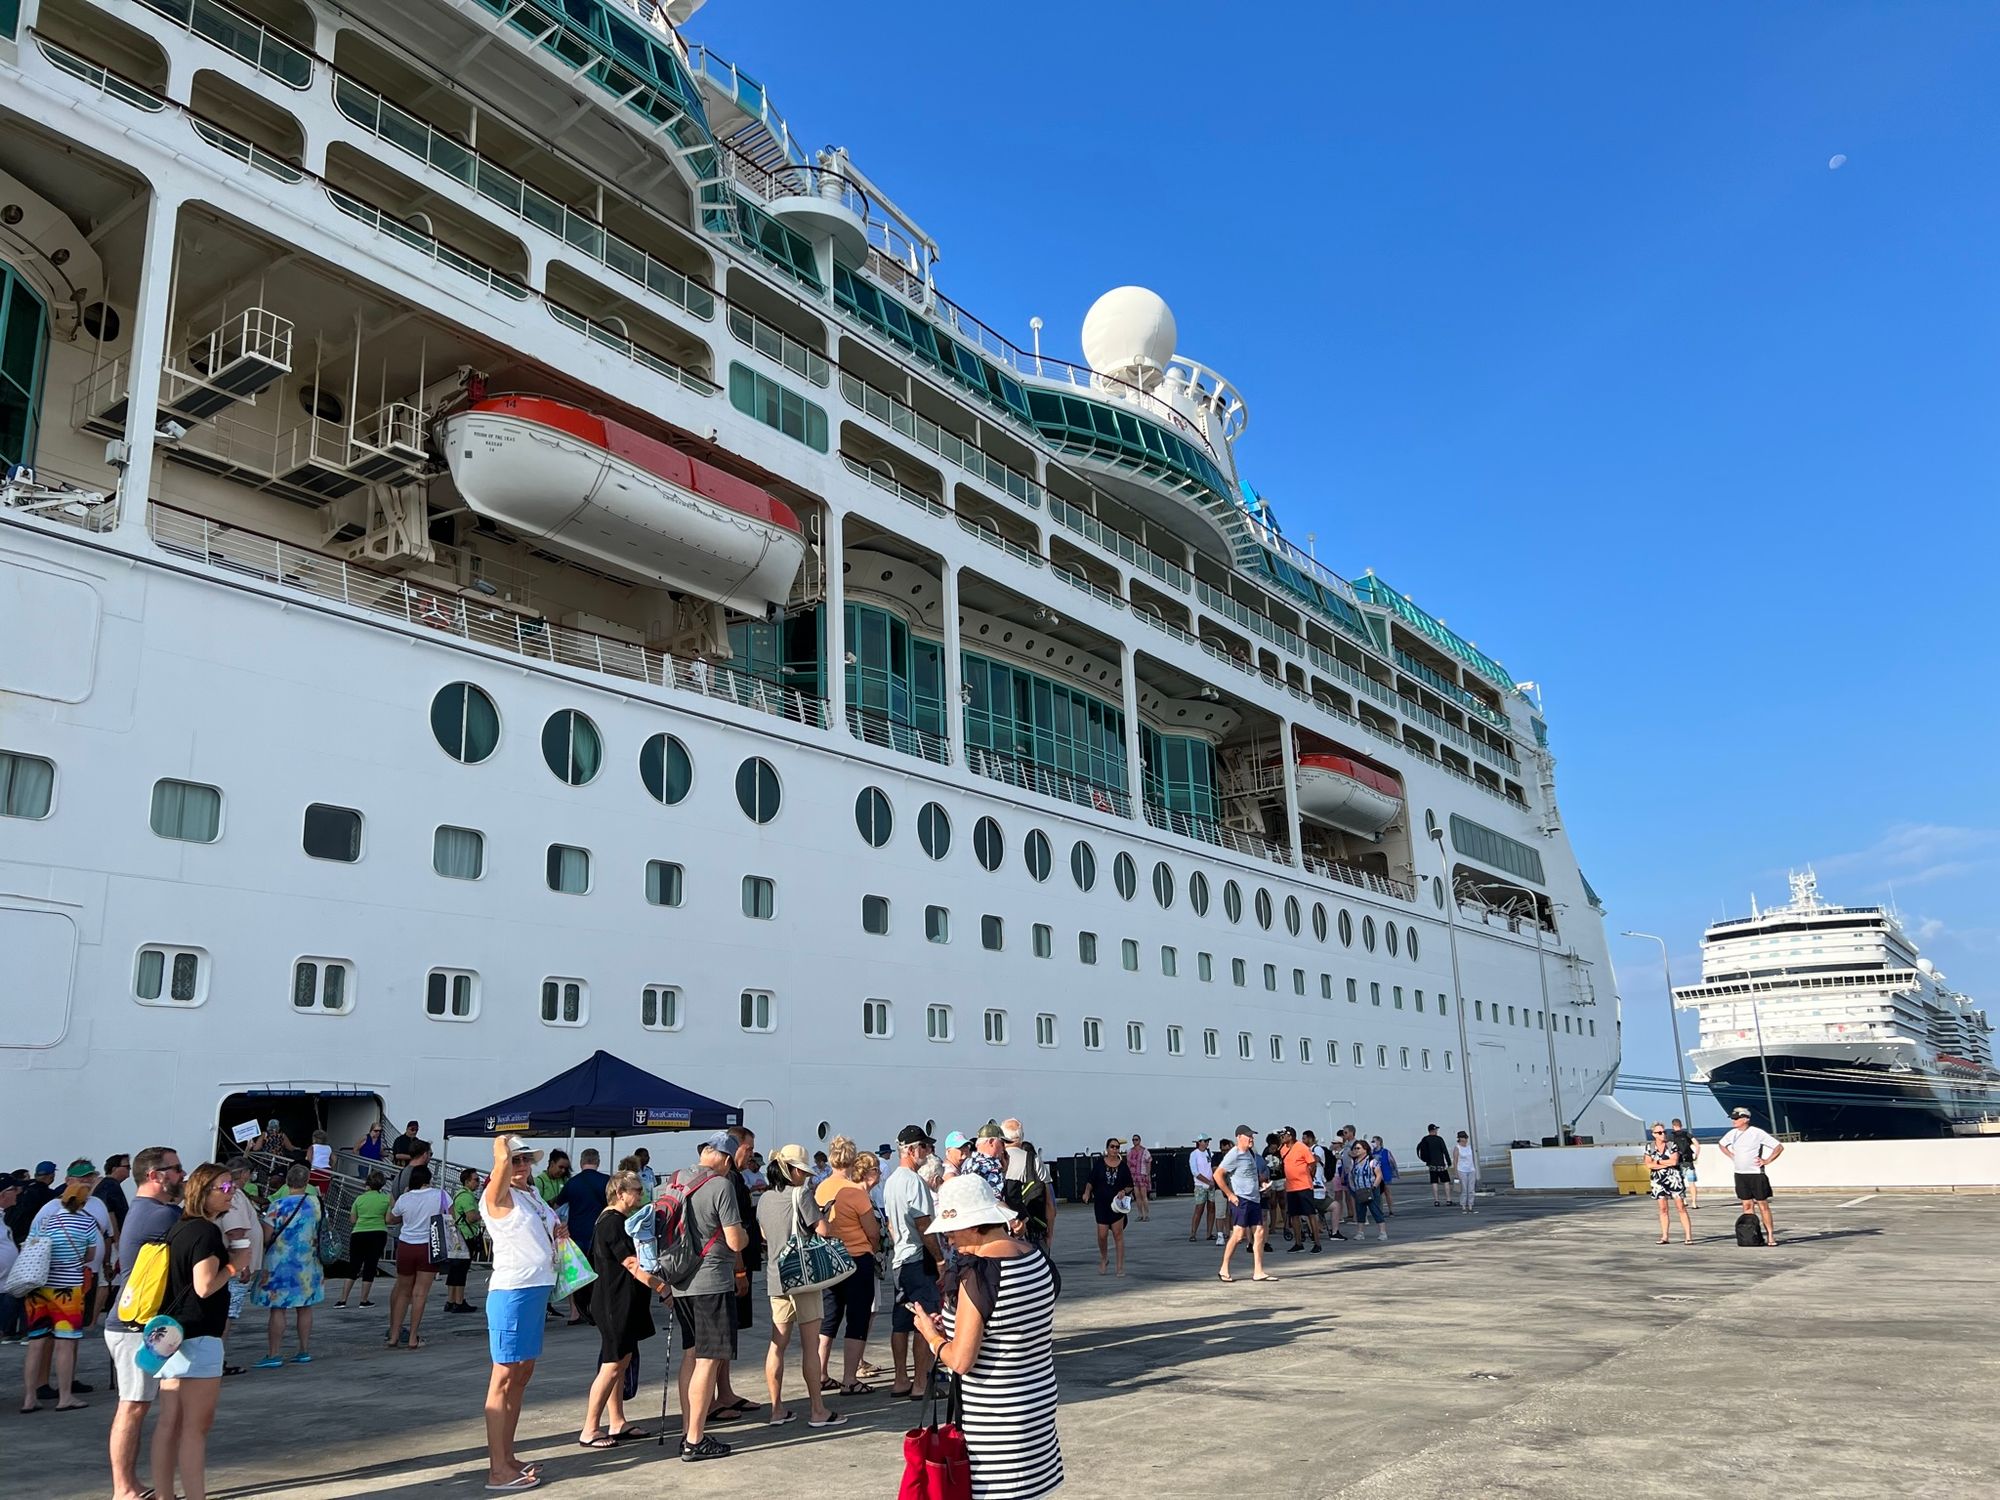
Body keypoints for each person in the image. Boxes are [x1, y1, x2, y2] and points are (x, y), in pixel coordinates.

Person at [909, 1173, 1063, 1500]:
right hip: (1037, 1407)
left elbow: (962, 1361)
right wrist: (952, 1323)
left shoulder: (979, 1273)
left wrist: (932, 1336)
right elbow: (1011, 1325)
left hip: (997, 1423)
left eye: (951, 1229)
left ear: (975, 1223)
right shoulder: (1034, 1256)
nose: (948, 1238)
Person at [158, 1163, 252, 1500]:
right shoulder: (206, 1233)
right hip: (199, 1336)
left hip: (172, 1333)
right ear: (203, 1192)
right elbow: (204, 1286)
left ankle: (166, 1494)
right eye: (224, 1188)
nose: (231, 1193)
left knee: (169, 1423)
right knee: (196, 1428)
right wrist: (234, 1265)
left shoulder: (179, 1229)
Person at [105, 1146, 185, 1500]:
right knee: (133, 1405)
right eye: (176, 1168)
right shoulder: (160, 1216)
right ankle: (124, 1489)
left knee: (139, 1405)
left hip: (141, 1325)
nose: (182, 1174)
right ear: (154, 1175)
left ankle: (131, 1486)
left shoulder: (147, 1211)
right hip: (135, 1327)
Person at [483, 1135, 560, 1491]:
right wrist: (503, 1144)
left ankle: (507, 1455)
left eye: (526, 1158)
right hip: (512, 1290)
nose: (523, 1165)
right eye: (517, 1160)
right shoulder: (496, 1197)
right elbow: (500, 1163)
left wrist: (557, 1233)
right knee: (503, 1376)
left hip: (534, 1289)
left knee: (522, 1373)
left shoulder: (531, 1195)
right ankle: (497, 1469)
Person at [754, 1145, 845, 1429]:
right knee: (810, 1345)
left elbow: (765, 1235)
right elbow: (822, 1230)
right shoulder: (801, 1194)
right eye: (802, 1172)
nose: (805, 1177)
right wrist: (824, 1215)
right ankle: (817, 1410)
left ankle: (776, 1408)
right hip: (803, 1278)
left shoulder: (764, 1198)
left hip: (776, 1277)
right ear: (791, 1170)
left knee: (777, 1344)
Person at [672, 1131, 750, 1462]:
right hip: (711, 1280)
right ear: (726, 1158)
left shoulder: (674, 1181)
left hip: (680, 1280)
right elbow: (735, 1241)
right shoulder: (721, 1186)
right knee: (709, 1358)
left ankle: (690, 1429)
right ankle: (695, 1440)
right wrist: (746, 1234)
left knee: (690, 1354)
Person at [578, 1171, 660, 1448]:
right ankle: (590, 1428)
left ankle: (617, 1420)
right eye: (636, 1189)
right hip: (613, 1303)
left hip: (621, 1301)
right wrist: (662, 1287)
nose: (640, 1193)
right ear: (620, 1192)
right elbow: (631, 1264)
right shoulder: (612, 1223)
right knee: (612, 1365)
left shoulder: (617, 1220)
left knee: (621, 1362)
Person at [20, 1160, 106, 1411]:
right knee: (65, 1344)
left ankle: (29, 1398)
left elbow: (31, 1244)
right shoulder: (86, 1222)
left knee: (36, 1343)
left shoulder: (47, 1219)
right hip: (67, 1289)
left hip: (38, 1288)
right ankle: (65, 1396)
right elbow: (90, 1256)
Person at [814, 1138, 880, 1397]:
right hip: (856, 1258)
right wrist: (872, 1250)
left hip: (831, 1259)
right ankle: (850, 1378)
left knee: (829, 1317)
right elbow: (872, 1232)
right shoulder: (854, 1191)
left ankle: (820, 1373)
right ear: (853, 1162)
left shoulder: (821, 1188)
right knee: (857, 1318)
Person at [880, 1126, 940, 1398]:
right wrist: (939, 1258)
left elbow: (892, 1223)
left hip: (901, 1260)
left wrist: (899, 1242)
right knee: (924, 1319)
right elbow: (923, 1222)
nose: (927, 1153)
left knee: (900, 1322)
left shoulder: (891, 1181)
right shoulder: (914, 1181)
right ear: (912, 1149)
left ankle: (900, 1379)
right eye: (925, 1147)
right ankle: (920, 1383)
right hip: (918, 1259)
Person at [249, 1164, 322, 1365]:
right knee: (305, 1307)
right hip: (308, 1261)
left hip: (279, 1263)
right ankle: (304, 1350)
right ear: (307, 1182)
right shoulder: (317, 1204)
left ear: (287, 1182)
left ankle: (274, 1354)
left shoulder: (278, 1206)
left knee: (278, 1309)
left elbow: (267, 1236)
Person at [383, 1164, 447, 1350]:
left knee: (403, 1290)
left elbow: (391, 1219)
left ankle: (394, 1335)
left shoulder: (405, 1198)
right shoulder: (440, 1195)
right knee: (420, 1293)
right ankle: (412, 1337)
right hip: (428, 1246)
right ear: (429, 1179)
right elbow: (447, 1216)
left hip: (406, 1246)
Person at [214, 1158, 261, 1375]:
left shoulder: (237, 1194)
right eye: (249, 1173)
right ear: (242, 1173)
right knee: (225, 1315)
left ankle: (217, 1359)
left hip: (233, 1265)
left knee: (227, 1315)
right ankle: (217, 1361)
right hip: (234, 1268)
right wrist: (243, 1265)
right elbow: (235, 1231)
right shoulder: (233, 1195)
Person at [556, 1150, 610, 1327]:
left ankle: (575, 1312)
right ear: (598, 1161)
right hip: (600, 1234)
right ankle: (597, 1310)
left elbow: (557, 1205)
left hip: (575, 1234)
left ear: (581, 1162)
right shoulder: (606, 1181)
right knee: (599, 1274)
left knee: (576, 1273)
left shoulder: (572, 1183)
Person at [1717, 1107, 1784, 1246]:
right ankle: (1752, 1235)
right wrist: (1731, 1156)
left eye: (1736, 1118)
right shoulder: (1732, 1134)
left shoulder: (1757, 1133)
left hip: (1755, 1174)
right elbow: (1722, 1144)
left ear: (1746, 1119)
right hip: (1740, 1174)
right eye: (1733, 1119)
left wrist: (1767, 1160)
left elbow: (1778, 1147)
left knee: (1762, 1205)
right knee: (1747, 1204)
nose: (1734, 1121)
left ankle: (1771, 1235)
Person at [1215, 1126, 1273, 1282]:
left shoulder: (1250, 1154)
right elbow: (1217, 1175)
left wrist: (1262, 1187)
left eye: (1252, 1136)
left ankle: (1258, 1271)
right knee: (1238, 1235)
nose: (1252, 1139)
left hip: (1254, 1199)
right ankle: (1224, 1268)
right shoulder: (1233, 1155)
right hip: (1241, 1200)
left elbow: (1250, 1176)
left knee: (1259, 1232)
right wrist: (1230, 1195)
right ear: (1239, 1137)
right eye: (1248, 1136)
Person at [335, 1171, 390, 1308]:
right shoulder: (386, 1199)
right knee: (370, 1266)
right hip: (378, 1232)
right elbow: (388, 1219)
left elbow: (352, 1220)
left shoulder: (359, 1199)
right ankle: (364, 1300)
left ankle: (343, 1299)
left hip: (359, 1233)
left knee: (353, 1266)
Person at [1083, 1138, 1134, 1275]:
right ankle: (1104, 1258)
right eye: (1112, 1147)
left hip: (1116, 1205)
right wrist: (1087, 1192)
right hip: (1101, 1204)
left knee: (1118, 1235)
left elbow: (1130, 1185)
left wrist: (1124, 1191)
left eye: (1117, 1147)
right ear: (1107, 1148)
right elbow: (1090, 1181)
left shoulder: (1123, 1166)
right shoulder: (1099, 1164)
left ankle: (1119, 1267)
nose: (1115, 1149)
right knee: (1102, 1235)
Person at [1001, 1119, 1054, 1249]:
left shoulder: (995, 1161)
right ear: (1021, 1137)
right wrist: (1049, 1233)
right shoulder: (1033, 1160)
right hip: (1033, 1227)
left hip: (1003, 1231)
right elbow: (1049, 1203)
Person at [1644, 1124, 1694, 1245]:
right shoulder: (1649, 1147)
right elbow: (1648, 1164)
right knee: (1663, 1208)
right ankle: (1665, 1236)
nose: (1663, 1134)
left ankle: (1688, 1236)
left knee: (1680, 1207)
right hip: (1658, 1180)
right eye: (1659, 1132)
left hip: (1673, 1178)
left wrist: (1657, 1161)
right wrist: (1664, 1163)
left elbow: (1674, 1161)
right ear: (1654, 1134)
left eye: (1664, 1131)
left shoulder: (1672, 1145)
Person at [446, 1167, 484, 1313]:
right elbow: (471, 1217)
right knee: (462, 1270)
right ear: (467, 1181)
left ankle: (450, 1300)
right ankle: (459, 1301)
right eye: (476, 1180)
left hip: (457, 1235)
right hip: (466, 1236)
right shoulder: (467, 1197)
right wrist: (482, 1214)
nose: (478, 1183)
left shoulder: (457, 1194)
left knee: (454, 1269)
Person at [1279, 1128, 1321, 1253]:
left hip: (1304, 1186)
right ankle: (1298, 1243)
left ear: (1290, 1136)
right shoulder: (1283, 1149)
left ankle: (1317, 1243)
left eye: (1283, 1135)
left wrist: (1309, 1175)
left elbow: (1312, 1163)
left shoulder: (1302, 1147)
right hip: (1291, 1187)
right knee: (1294, 1215)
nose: (1281, 1138)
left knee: (1310, 1214)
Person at [1347, 1141, 1387, 1241]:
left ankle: (1383, 1232)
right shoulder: (1354, 1162)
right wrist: (1353, 1188)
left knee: (1375, 1210)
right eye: (1355, 1148)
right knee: (1360, 1211)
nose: (1356, 1150)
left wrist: (1374, 1187)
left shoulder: (1372, 1161)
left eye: (1358, 1148)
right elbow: (1351, 1176)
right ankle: (1360, 1232)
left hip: (1371, 1189)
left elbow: (1379, 1175)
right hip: (1359, 1190)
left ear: (1365, 1149)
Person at [1187, 1135, 1218, 1244]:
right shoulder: (1194, 1154)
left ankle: (1209, 1233)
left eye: (1207, 1141)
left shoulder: (1209, 1153)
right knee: (1199, 1209)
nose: (1207, 1143)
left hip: (1211, 1185)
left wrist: (1213, 1181)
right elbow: (1195, 1172)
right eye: (1205, 1141)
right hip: (1200, 1185)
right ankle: (1193, 1233)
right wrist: (1207, 1181)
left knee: (1211, 1208)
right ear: (1199, 1142)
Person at [1416, 1125, 1452, 1208]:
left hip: (1431, 1164)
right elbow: (1445, 1151)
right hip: (1440, 1164)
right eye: (1436, 1129)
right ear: (1433, 1130)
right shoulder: (1439, 1139)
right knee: (1446, 1181)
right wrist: (1449, 1162)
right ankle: (1448, 1200)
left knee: (1434, 1182)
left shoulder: (1425, 1139)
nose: (1437, 1131)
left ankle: (1436, 1200)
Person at [1669, 1119, 1702, 1209]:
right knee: (1691, 1183)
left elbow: (1669, 1149)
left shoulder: (1672, 1136)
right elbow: (1697, 1145)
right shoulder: (1687, 1134)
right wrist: (1696, 1155)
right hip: (1689, 1161)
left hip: (1678, 1162)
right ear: (1681, 1125)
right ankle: (1694, 1203)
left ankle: (1683, 1201)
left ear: (1673, 1126)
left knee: (1680, 1182)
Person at [1370, 1136, 1400, 1217]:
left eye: (1374, 1141)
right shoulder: (1371, 1153)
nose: (1372, 1143)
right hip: (1375, 1175)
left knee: (1387, 1191)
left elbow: (1392, 1162)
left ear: (1379, 1142)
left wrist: (1395, 1173)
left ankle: (1391, 1210)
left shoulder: (1386, 1151)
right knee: (1377, 1194)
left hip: (1385, 1174)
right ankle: (1379, 1210)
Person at [1126, 1134, 1152, 1222]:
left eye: (1136, 1140)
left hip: (1142, 1174)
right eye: (1133, 1140)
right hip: (1133, 1176)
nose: (1134, 1141)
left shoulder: (1145, 1151)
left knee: (1144, 1195)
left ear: (1139, 1140)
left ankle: (1146, 1214)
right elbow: (1128, 1164)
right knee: (1137, 1196)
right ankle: (1140, 1214)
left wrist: (1148, 1174)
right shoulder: (1129, 1151)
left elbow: (1148, 1162)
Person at [1454, 1131, 1478, 1212]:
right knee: (1464, 1189)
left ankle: (1470, 1204)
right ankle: (1463, 1205)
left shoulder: (1470, 1147)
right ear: (1460, 1138)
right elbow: (1455, 1160)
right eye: (1463, 1137)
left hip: (1471, 1169)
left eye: (1466, 1137)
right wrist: (1456, 1172)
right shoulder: (1457, 1148)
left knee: (1471, 1189)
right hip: (1462, 1170)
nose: (1465, 1139)